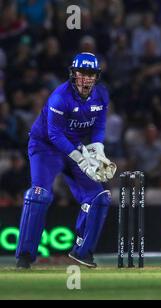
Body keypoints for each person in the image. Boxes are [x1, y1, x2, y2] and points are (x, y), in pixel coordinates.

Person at [15, 52, 117, 269]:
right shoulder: (60, 97)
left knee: (100, 197)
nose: (86, 79)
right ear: (73, 74)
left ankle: (83, 252)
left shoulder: (102, 95)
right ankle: (24, 256)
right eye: (82, 73)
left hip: (74, 146)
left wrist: (98, 150)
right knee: (39, 195)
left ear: (97, 77)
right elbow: (54, 135)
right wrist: (81, 159)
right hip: (45, 147)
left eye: (91, 74)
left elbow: (98, 127)